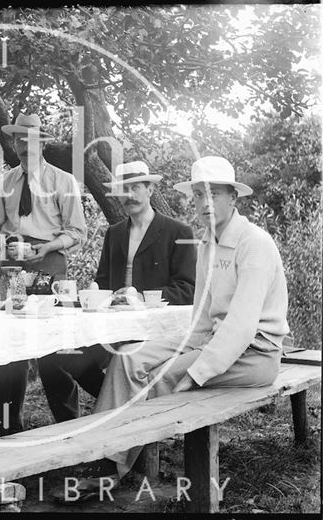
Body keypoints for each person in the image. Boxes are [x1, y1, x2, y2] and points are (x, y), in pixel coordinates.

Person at [93, 156, 290, 484]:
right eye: (199, 194)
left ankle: (110, 469)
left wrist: (195, 373)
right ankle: (97, 448)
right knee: (129, 359)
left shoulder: (254, 244)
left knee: (160, 378)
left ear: (233, 198)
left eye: (215, 194)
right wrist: (182, 349)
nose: (206, 202)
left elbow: (239, 329)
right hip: (215, 341)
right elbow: (202, 319)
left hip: (255, 354)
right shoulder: (207, 245)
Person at [38, 161, 196, 423]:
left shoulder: (177, 232)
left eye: (136, 187)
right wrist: (93, 293)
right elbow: (102, 281)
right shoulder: (115, 233)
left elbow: (188, 289)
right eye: (123, 189)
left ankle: (118, 413)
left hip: (152, 334)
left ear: (150, 189)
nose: (129, 195)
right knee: (52, 358)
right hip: (113, 330)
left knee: (121, 361)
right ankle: (76, 425)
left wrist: (140, 297)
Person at [0, 113, 87, 436]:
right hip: (12, 266)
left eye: (32, 139)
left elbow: (78, 232)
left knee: (55, 349)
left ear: (42, 143)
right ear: (13, 143)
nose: (25, 145)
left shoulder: (63, 181)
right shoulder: (5, 182)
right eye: (19, 140)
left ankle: (70, 429)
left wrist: (49, 246)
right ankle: (4, 428)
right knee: (9, 347)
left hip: (50, 264)